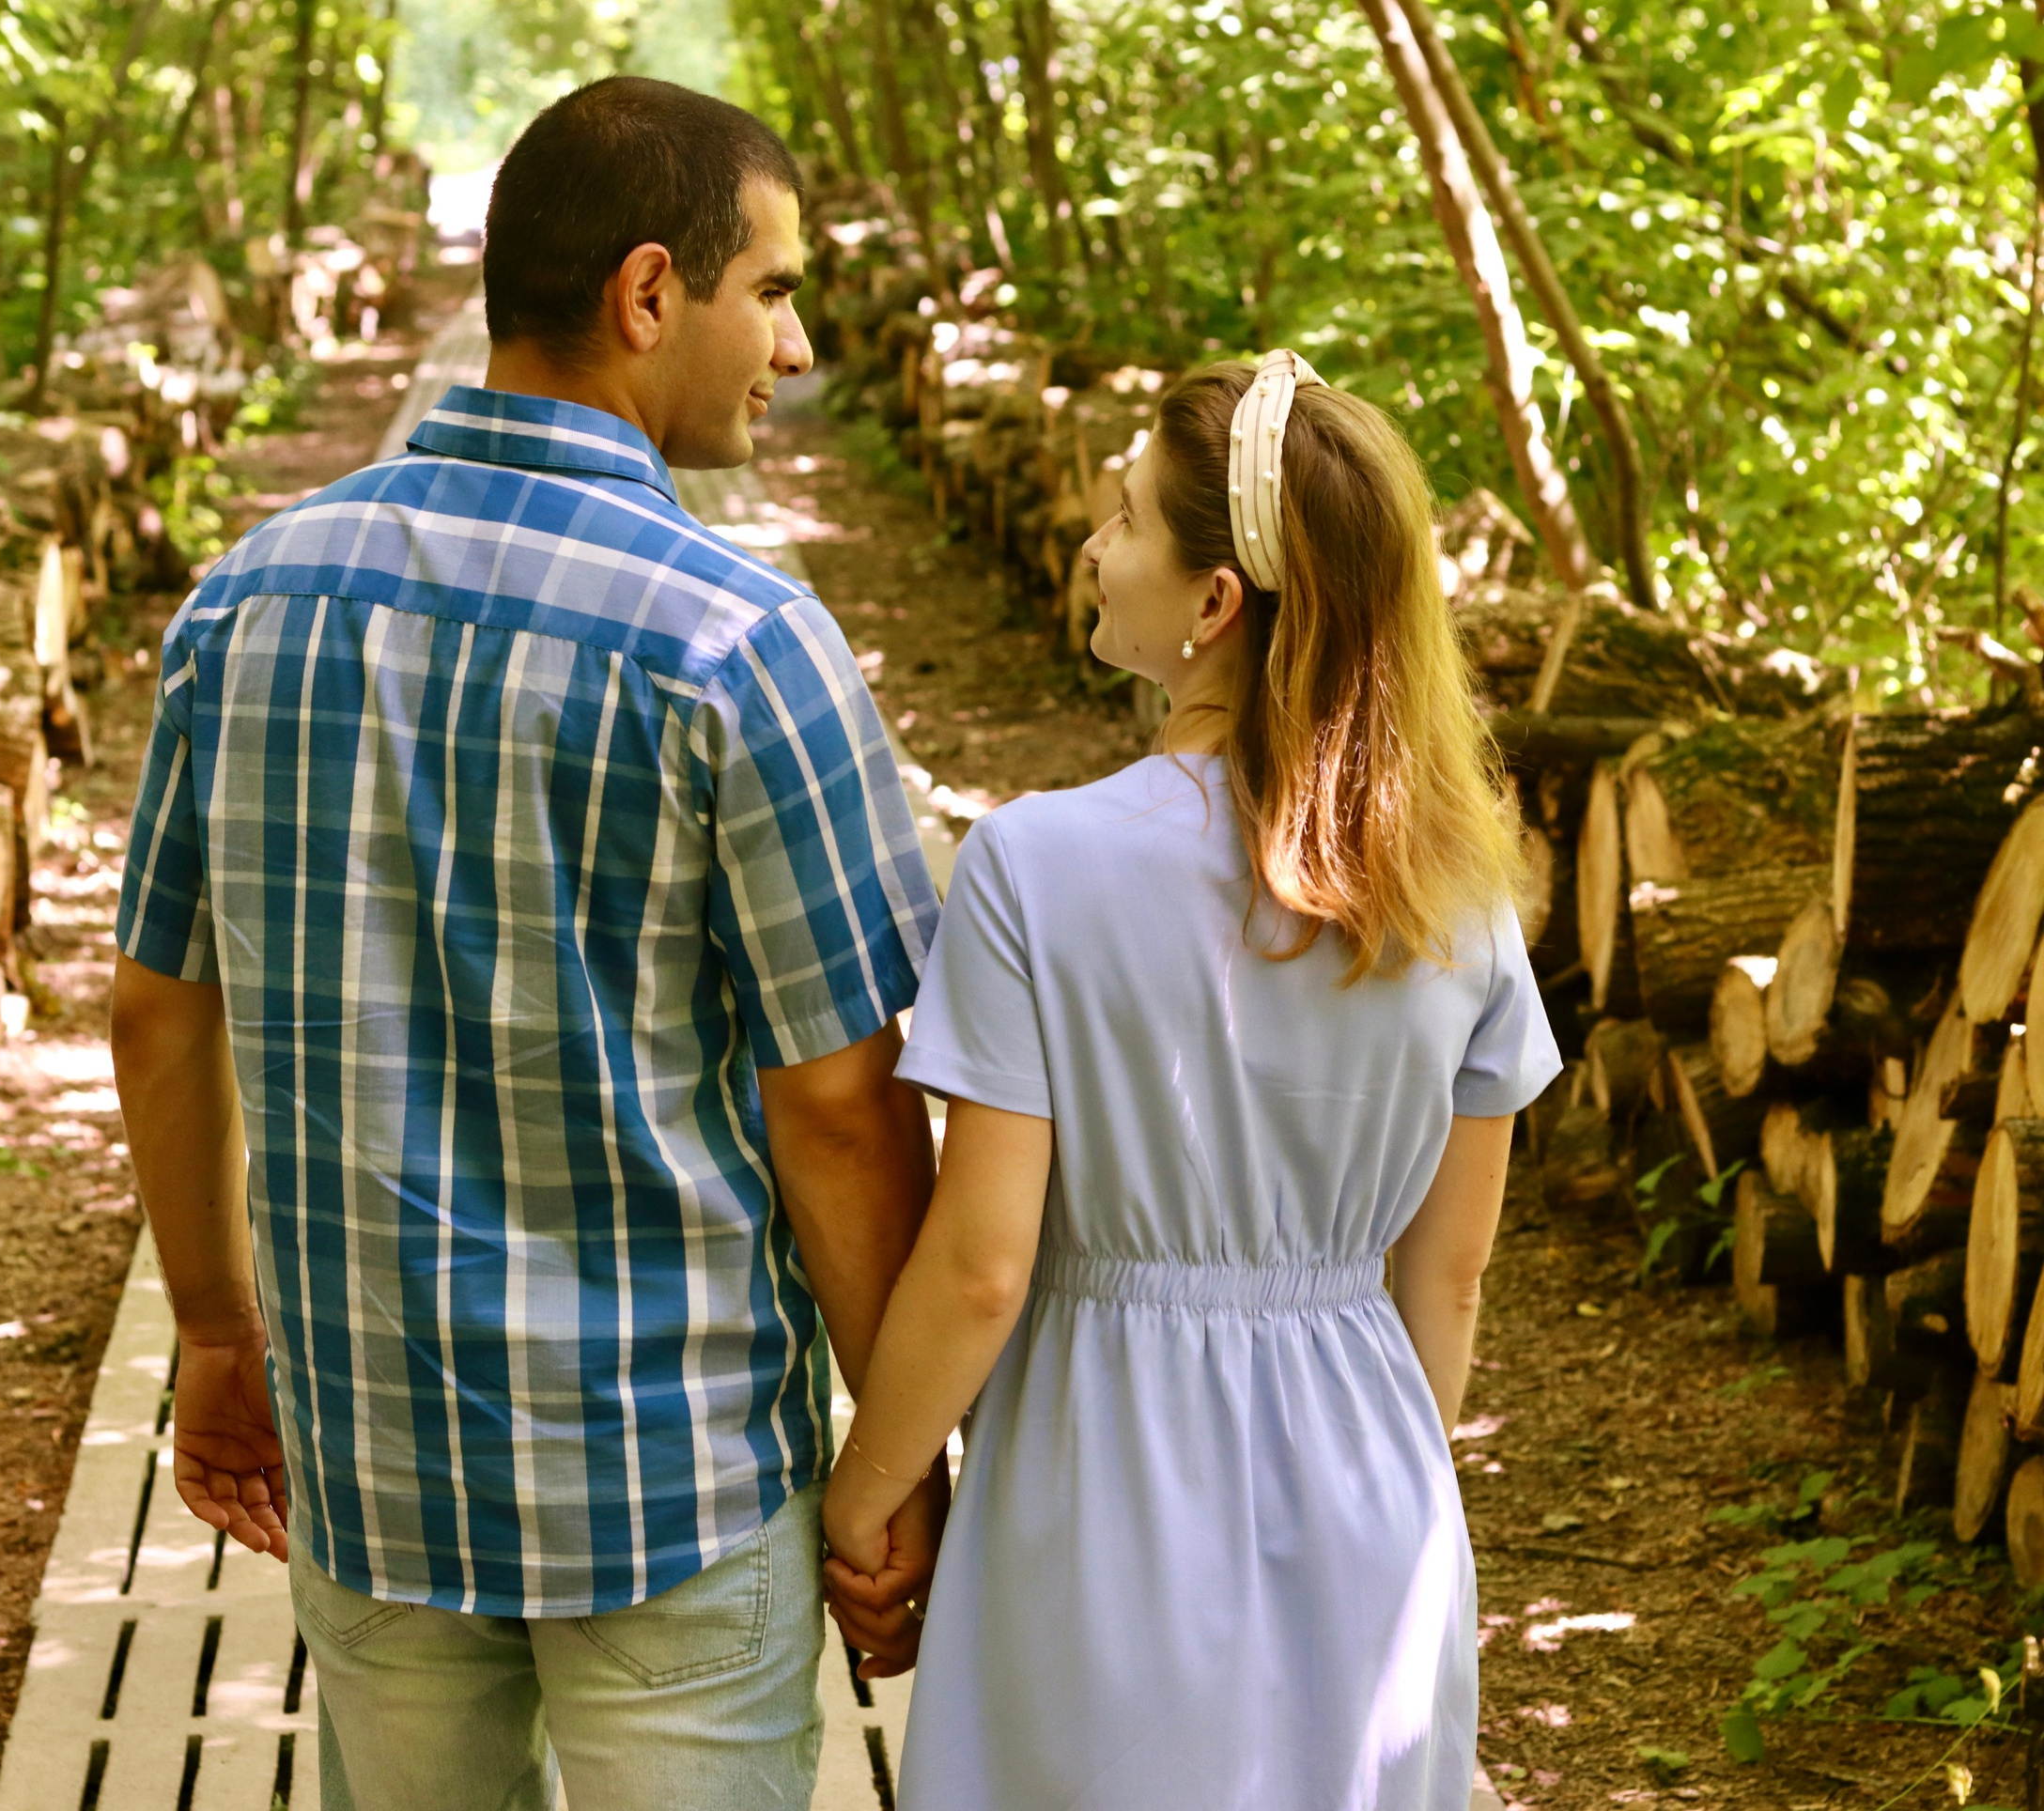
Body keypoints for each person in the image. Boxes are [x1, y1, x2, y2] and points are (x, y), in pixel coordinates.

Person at [110, 77, 948, 1811]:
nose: (793, 348)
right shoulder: (743, 647)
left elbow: (154, 1010)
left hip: (371, 1466)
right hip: (673, 1487)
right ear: (652, 294)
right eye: (774, 291)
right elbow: (844, 1107)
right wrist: (894, 1452)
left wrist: (212, 1334)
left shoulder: (251, 602)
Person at [819, 350, 1564, 1809]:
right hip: (1373, 1482)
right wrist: (1377, 1498)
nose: (1097, 548)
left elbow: (982, 1265)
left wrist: (867, 1498)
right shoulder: (1461, 896)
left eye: (1127, 519)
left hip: (1097, 1483)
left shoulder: (1037, 867)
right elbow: (1453, 1276)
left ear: (1216, 603)